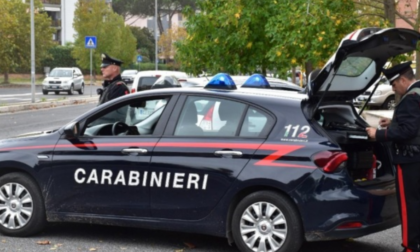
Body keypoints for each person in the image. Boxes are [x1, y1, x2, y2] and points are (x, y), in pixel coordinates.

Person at [366, 61, 420, 252]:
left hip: (409, 161)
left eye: (394, 84)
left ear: (403, 79)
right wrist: (393, 123)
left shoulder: (410, 98)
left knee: (408, 206)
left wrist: (377, 134)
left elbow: (408, 131)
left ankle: (410, 246)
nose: (393, 88)